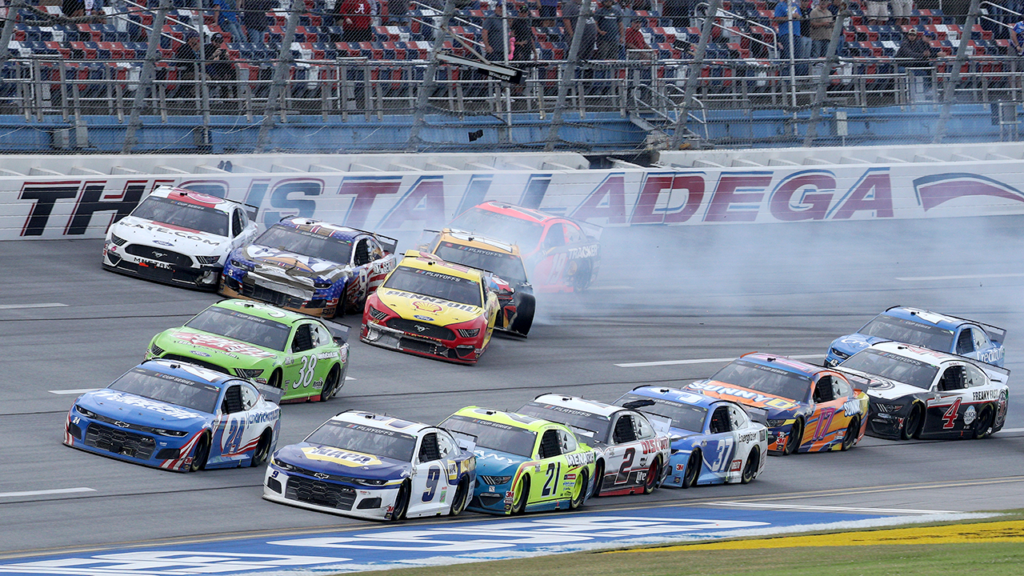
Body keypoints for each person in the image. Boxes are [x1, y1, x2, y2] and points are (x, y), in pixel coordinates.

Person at [205, 32, 237, 104]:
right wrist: (213, 55)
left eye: (220, 42)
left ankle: (235, 97)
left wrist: (227, 59)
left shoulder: (222, 50)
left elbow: (225, 64)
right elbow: (204, 62)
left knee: (232, 73)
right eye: (216, 41)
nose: (218, 44)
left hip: (220, 69)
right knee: (220, 73)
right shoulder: (206, 48)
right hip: (210, 69)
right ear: (212, 41)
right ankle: (225, 96)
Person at [174, 33, 201, 101]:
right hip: (184, 72)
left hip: (193, 71)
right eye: (195, 38)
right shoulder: (184, 48)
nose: (197, 40)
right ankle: (191, 95)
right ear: (190, 39)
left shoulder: (193, 49)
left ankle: (193, 96)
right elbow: (191, 62)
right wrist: (194, 50)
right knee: (205, 78)